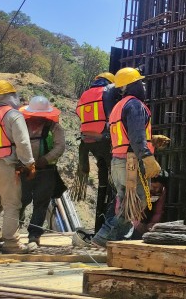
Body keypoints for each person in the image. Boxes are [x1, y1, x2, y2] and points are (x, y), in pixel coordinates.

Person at [74, 68, 161, 249]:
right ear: (132, 85)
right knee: (136, 202)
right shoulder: (135, 105)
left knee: (125, 203)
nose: (144, 86)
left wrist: (151, 140)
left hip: (118, 162)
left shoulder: (117, 107)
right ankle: (104, 237)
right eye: (140, 82)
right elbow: (136, 137)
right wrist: (147, 156)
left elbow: (127, 134)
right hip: (131, 162)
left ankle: (117, 241)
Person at [0, 80, 36, 254]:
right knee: (11, 204)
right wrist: (29, 163)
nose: (17, 97)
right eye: (14, 94)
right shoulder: (12, 115)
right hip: (5, 165)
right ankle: (11, 244)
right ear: (8, 96)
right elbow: (22, 142)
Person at [19, 96, 67, 250]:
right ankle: (13, 230)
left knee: (41, 203)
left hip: (46, 171)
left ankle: (34, 235)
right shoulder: (22, 126)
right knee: (20, 200)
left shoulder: (55, 128)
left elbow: (60, 147)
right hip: (24, 169)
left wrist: (45, 159)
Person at [75, 72, 116, 231]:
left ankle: (99, 225)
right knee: (113, 184)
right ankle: (107, 226)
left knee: (102, 181)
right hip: (104, 140)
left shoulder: (85, 94)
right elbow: (113, 114)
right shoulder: (107, 92)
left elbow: (79, 112)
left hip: (87, 141)